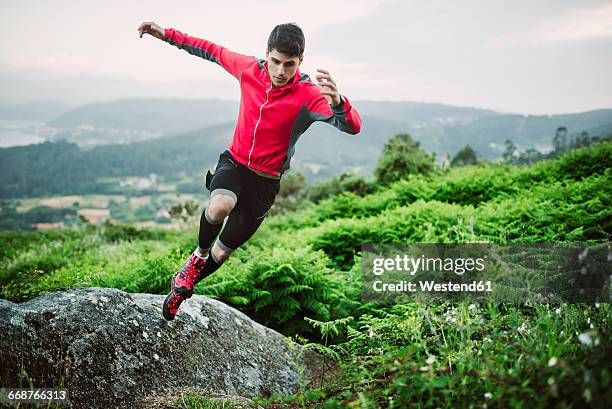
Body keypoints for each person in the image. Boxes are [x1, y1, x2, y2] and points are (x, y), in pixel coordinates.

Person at [137, 20, 363, 321]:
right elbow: (210, 50)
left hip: (265, 183)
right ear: (266, 54)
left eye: (289, 64)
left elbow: (352, 126)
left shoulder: (309, 95)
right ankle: (196, 257)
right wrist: (165, 34)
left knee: (223, 253)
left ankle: (184, 285)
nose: (281, 71)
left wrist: (337, 102)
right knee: (219, 206)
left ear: (301, 61)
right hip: (234, 164)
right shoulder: (248, 69)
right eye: (275, 62)